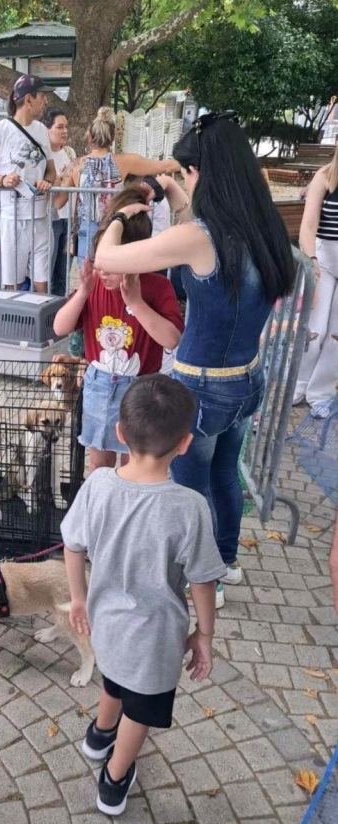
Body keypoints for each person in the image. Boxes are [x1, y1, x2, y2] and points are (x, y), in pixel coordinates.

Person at [94, 112, 295, 592]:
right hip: (247, 378)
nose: (185, 180)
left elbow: (106, 258)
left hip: (201, 387)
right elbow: (202, 244)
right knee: (225, 476)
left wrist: (122, 214)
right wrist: (180, 198)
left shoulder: (200, 237)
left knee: (189, 488)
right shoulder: (262, 228)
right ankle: (224, 565)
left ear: (203, 173)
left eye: (187, 172)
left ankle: (202, 583)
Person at [62, 374, 225, 816]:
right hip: (155, 638)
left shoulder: (97, 484)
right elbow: (203, 580)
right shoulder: (189, 507)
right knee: (142, 708)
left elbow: (73, 545)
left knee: (114, 678)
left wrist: (78, 598)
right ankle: (114, 779)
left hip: (105, 622)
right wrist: (204, 635)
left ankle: (99, 734)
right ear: (186, 442)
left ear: (119, 432)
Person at [53, 187, 183, 471]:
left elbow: (172, 339)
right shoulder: (95, 286)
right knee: (99, 462)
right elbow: (60, 326)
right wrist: (83, 292)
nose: (104, 270)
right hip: (100, 384)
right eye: (101, 261)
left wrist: (136, 303)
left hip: (141, 388)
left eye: (113, 263)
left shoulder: (158, 288)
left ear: (138, 258)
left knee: (135, 461)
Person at [56, 107, 180, 267]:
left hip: (87, 228)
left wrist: (53, 180)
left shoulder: (76, 165)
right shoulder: (125, 161)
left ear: (89, 136)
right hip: (114, 226)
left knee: (88, 280)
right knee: (112, 275)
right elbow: (166, 166)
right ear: (113, 138)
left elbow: (58, 202)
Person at [0, 75, 56, 293]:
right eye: (43, 96)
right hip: (12, 219)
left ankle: (40, 325)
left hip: (40, 217)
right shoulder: (0, 130)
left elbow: (51, 171)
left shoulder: (41, 131)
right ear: (28, 99)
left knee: (42, 283)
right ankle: (14, 325)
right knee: (13, 284)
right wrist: (2, 180)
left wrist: (47, 181)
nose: (46, 101)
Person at [293, 144, 338, 418]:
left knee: (336, 335)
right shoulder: (325, 176)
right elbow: (308, 227)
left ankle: (322, 392)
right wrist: (311, 260)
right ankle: (296, 384)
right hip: (323, 259)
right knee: (314, 329)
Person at [42, 109, 76, 296]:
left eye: (66, 127)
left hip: (68, 220)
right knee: (46, 273)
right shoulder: (42, 157)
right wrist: (59, 180)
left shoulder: (70, 152)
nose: (64, 131)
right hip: (50, 219)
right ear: (47, 130)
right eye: (59, 127)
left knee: (63, 273)